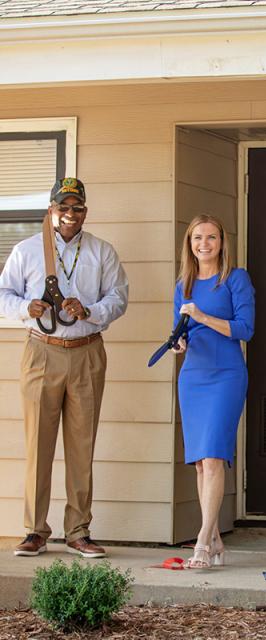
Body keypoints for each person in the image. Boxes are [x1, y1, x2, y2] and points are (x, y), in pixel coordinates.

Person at [0, 177, 128, 559]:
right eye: (63, 207)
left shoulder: (102, 252)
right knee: (38, 443)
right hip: (42, 351)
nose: (70, 215)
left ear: (85, 211)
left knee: (81, 444)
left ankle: (78, 530)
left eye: (77, 208)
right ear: (51, 210)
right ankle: (34, 530)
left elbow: (118, 298)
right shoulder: (27, 250)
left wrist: (90, 311)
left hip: (87, 351)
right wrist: (27, 308)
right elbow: (4, 293)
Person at [172, 214, 255, 569]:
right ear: (189, 244)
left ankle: (203, 541)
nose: (203, 244)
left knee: (214, 456)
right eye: (196, 238)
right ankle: (216, 539)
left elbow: (245, 329)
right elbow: (179, 330)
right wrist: (179, 341)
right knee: (199, 464)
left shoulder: (236, 279)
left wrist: (203, 317)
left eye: (210, 237)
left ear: (222, 242)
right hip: (193, 376)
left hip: (226, 375)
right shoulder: (183, 284)